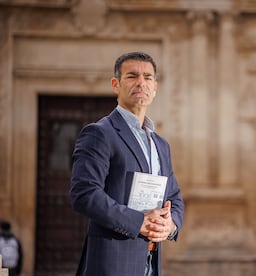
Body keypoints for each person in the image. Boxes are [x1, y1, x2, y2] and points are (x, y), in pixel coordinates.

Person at [70, 52, 185, 276]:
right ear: (116, 84)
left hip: (151, 263)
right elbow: (84, 193)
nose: (141, 82)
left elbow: (175, 196)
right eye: (132, 76)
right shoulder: (99, 133)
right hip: (112, 263)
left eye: (148, 77)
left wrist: (171, 226)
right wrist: (137, 222)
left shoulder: (161, 145)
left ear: (155, 87)